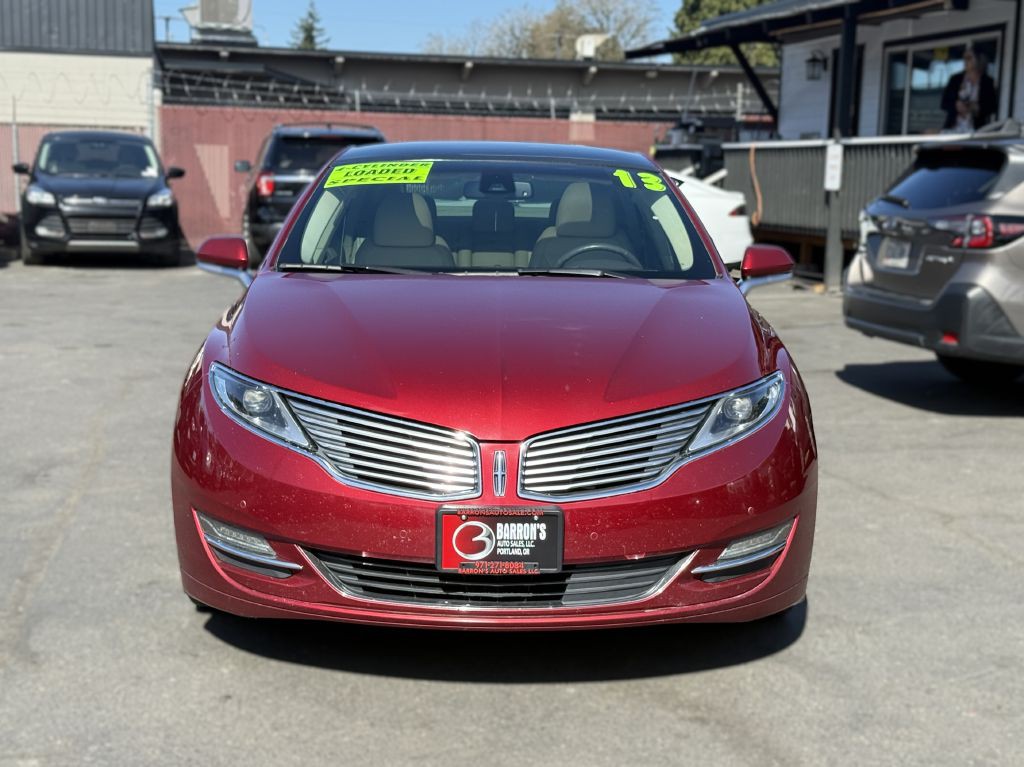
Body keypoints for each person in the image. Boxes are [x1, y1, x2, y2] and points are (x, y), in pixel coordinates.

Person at [941, 46, 998, 132]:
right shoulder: (955, 79)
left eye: (969, 58)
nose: (965, 61)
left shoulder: (987, 81)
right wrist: (956, 105)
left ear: (979, 59)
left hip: (977, 130)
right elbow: (944, 103)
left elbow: (992, 107)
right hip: (954, 127)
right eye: (964, 58)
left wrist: (976, 108)